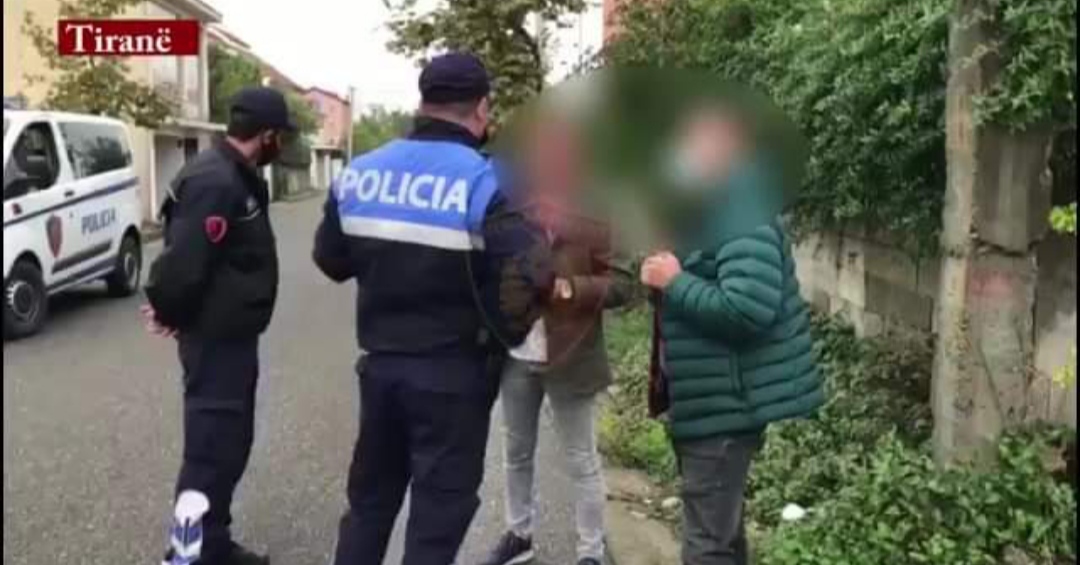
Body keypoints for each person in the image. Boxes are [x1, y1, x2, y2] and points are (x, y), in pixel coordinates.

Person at [313, 52, 552, 565]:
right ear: (482, 109)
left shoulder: (360, 172)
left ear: (423, 102)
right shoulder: (491, 181)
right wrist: (502, 336)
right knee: (436, 520)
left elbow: (330, 260)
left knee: (369, 506)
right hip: (455, 377)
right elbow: (533, 277)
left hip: (381, 371)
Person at [638, 106, 825, 565]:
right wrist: (664, 274)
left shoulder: (741, 211)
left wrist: (674, 282)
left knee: (707, 544)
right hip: (708, 400)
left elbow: (747, 309)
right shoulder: (713, 207)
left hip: (726, 406)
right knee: (722, 534)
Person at [142, 86, 292, 565]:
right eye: (280, 136)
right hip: (215, 343)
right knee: (208, 453)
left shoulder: (236, 175)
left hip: (233, 338)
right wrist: (167, 309)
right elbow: (183, 261)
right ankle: (184, 556)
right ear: (266, 135)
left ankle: (213, 544)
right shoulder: (216, 180)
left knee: (227, 446)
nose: (282, 145)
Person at [479, 116, 638, 565]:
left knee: (581, 459)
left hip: (571, 353)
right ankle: (519, 534)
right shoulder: (512, 205)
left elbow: (626, 283)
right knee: (516, 452)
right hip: (517, 352)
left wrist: (572, 289)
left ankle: (590, 552)